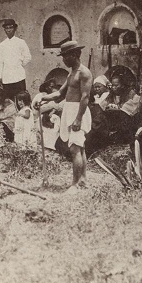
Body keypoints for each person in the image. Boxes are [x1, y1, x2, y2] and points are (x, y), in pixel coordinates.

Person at [35, 40, 93, 189]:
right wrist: (42, 98)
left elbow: (85, 97)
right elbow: (60, 94)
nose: (63, 60)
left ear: (74, 55)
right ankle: (84, 180)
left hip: (78, 111)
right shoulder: (71, 73)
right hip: (69, 110)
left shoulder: (84, 73)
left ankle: (75, 185)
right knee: (79, 148)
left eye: (66, 56)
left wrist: (78, 119)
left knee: (75, 149)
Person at [0, 19, 31, 101]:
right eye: (6, 28)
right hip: (7, 77)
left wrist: (20, 64)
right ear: (4, 30)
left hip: (19, 76)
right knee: (9, 100)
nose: (8, 30)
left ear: (15, 29)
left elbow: (28, 57)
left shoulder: (21, 42)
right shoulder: (2, 45)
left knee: (21, 98)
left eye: (10, 27)